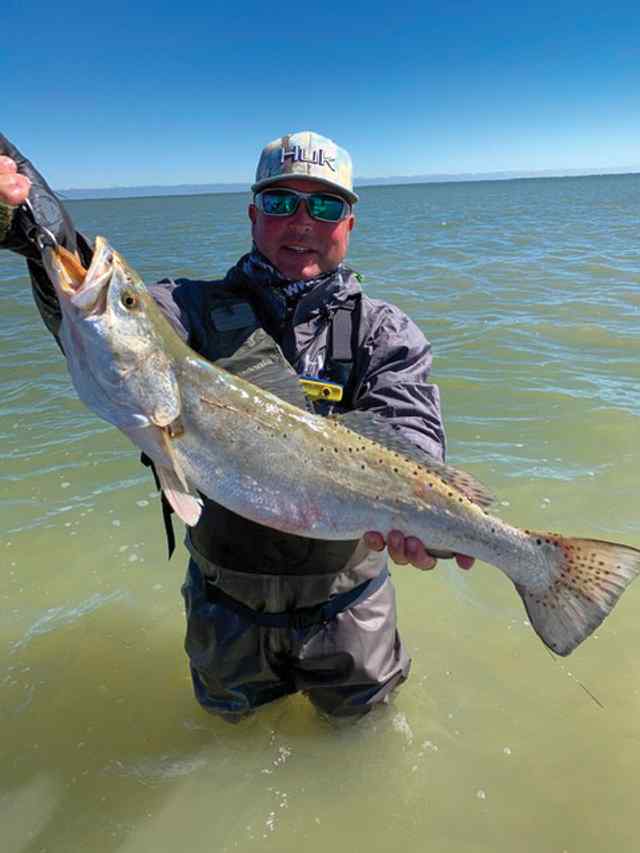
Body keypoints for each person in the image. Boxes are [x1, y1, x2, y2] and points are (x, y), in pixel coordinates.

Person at [0, 130, 473, 721]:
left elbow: (411, 437)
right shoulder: (185, 309)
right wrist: (29, 225)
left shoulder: (384, 333)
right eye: (281, 203)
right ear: (253, 215)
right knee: (226, 733)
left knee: (365, 733)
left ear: (349, 223)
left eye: (324, 205)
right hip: (224, 608)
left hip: (350, 610)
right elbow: (109, 325)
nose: (302, 220)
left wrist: (431, 520)